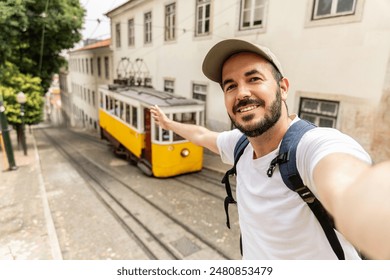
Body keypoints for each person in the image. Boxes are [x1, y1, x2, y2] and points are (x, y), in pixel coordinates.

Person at [150, 38, 390, 260]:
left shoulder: (311, 147)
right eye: (230, 86)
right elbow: (202, 135)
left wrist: (370, 210)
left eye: (253, 79)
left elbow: (348, 185)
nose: (241, 93)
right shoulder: (239, 144)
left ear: (283, 88)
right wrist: (168, 124)